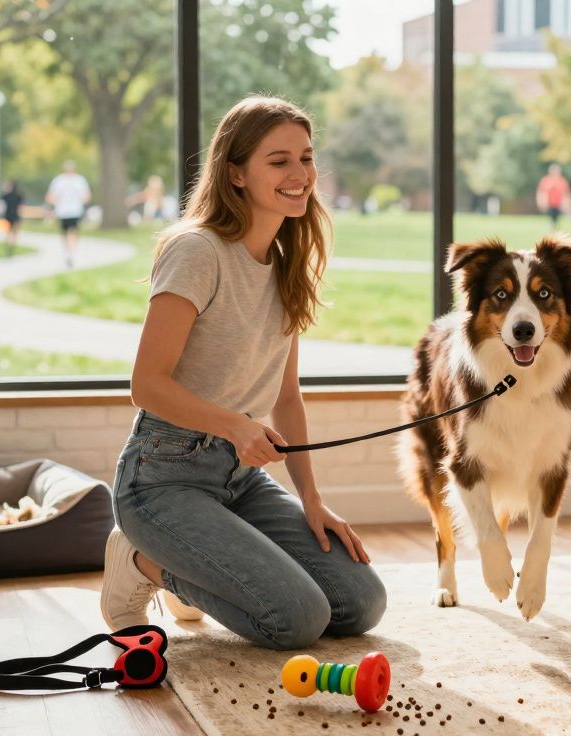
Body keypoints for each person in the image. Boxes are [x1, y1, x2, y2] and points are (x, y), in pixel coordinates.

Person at [99, 96, 386, 649]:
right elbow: (147, 384)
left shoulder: (283, 263)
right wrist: (235, 425)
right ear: (236, 172)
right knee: (296, 620)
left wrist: (311, 499)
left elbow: (287, 395)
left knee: (359, 604)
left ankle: (204, 563)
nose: (300, 174)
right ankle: (141, 562)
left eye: (306, 157)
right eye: (279, 161)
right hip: (162, 477)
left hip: (237, 479)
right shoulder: (197, 250)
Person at [46, 160, 91, 268]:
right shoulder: (58, 181)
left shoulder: (80, 180)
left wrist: (82, 202)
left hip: (75, 211)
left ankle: (71, 254)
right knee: (65, 233)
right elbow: (50, 196)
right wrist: (54, 205)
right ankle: (67, 252)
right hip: (62, 212)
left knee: (73, 231)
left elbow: (87, 196)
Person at [535, 163, 571, 229]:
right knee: (551, 216)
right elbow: (541, 192)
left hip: (558, 203)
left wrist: (567, 203)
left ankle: (554, 225)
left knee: (557, 217)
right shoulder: (545, 180)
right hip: (549, 203)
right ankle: (553, 224)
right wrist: (541, 202)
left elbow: (566, 193)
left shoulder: (562, 181)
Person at [0, 180, 23, 258]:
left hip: (7, 217)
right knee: (12, 234)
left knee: (9, 234)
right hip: (14, 217)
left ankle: (8, 249)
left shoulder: (4, 196)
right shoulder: (18, 196)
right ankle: (10, 249)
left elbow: (0, 207)